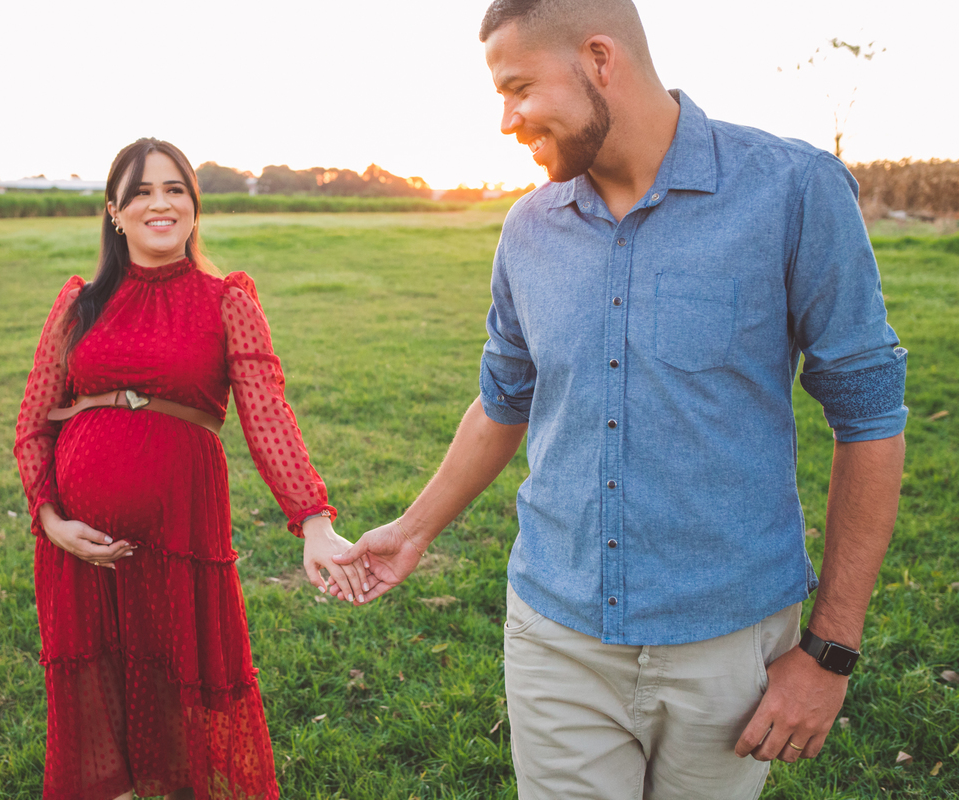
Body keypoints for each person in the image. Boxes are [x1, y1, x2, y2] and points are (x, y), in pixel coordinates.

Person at [333, 1, 907, 798]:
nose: (506, 120)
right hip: (555, 636)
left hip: (727, 646)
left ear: (600, 59)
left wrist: (830, 653)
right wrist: (411, 530)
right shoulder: (527, 229)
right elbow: (503, 400)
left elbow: (869, 416)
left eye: (520, 88)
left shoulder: (793, 190)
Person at [14, 138, 370, 800]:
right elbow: (35, 422)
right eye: (142, 192)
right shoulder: (79, 304)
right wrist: (51, 520)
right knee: (96, 690)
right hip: (78, 546)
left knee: (180, 683)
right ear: (114, 211)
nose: (161, 203)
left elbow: (268, 415)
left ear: (194, 205)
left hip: (181, 532)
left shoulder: (226, 300)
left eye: (175, 189)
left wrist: (314, 521)